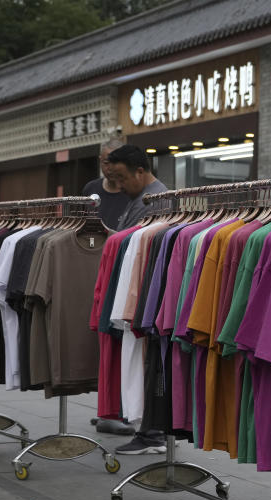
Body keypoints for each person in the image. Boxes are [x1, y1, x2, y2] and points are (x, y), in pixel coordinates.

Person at [105, 144, 172, 454]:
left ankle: (152, 433)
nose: (118, 186)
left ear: (141, 172)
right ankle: (150, 429)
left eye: (121, 178)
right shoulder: (142, 199)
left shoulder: (155, 202)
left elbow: (138, 248)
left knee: (148, 362)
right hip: (141, 291)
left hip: (147, 293)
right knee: (143, 362)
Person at [81, 138, 136, 436]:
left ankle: (120, 408)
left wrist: (111, 237)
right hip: (94, 265)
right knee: (103, 344)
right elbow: (82, 229)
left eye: (113, 161)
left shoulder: (132, 192)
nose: (108, 167)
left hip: (122, 268)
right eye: (104, 161)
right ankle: (107, 406)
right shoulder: (91, 190)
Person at [107, 144, 167, 231]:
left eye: (121, 178)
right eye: (115, 179)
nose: (118, 186)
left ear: (139, 172)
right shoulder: (138, 195)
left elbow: (124, 241)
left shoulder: (150, 201)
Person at [81, 137, 131, 230]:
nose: (111, 168)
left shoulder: (133, 192)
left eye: (116, 163)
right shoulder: (90, 189)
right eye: (106, 163)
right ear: (100, 160)